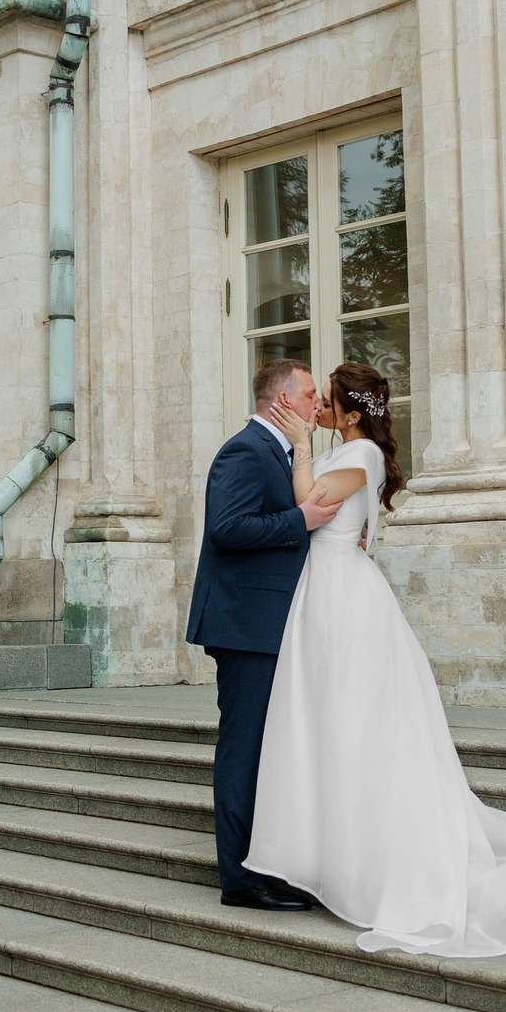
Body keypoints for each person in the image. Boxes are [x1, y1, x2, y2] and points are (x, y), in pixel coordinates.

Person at [244, 361, 506, 957]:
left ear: (352, 414)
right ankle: (328, 855)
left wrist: (299, 447)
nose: (317, 407)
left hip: (343, 596)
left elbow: (308, 505)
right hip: (319, 591)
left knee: (354, 721)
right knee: (324, 722)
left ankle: (375, 864)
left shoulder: (362, 455)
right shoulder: (343, 450)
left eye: (327, 400)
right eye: (315, 398)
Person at [184, 358, 341, 911]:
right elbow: (227, 528)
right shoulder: (245, 450)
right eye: (310, 395)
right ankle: (240, 880)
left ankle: (266, 864)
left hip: (269, 623)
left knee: (266, 750)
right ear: (283, 400)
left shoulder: (282, 452)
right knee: (244, 750)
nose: (317, 404)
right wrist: (302, 521)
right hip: (245, 625)